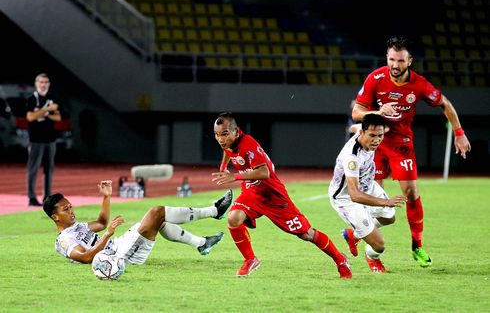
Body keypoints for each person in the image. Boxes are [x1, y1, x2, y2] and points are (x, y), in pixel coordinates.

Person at [352, 36, 472, 267]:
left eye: (400, 60)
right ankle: (373, 255)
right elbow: (357, 112)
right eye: (391, 59)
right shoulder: (375, 78)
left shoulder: (419, 85)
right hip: (373, 146)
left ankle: (417, 244)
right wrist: (378, 110)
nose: (395, 65)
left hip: (402, 145)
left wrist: (459, 133)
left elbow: (444, 103)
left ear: (410, 61)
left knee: (411, 195)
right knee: (377, 202)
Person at [211, 112, 352, 278]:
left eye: (224, 134)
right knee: (233, 218)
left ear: (236, 131)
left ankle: (339, 259)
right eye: (217, 135)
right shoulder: (229, 143)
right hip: (252, 192)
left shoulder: (247, 144)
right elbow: (228, 150)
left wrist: (234, 176)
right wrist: (223, 166)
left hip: (274, 196)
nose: (220, 139)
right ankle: (250, 259)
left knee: (306, 234)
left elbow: (264, 172)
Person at [43, 180, 233, 265]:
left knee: (159, 221)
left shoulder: (76, 227)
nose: (71, 211)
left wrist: (106, 197)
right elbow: (84, 258)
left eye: (70, 206)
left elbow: (101, 223)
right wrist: (108, 235)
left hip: (118, 246)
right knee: (156, 212)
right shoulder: (64, 240)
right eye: (66, 209)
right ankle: (215, 211)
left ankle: (201, 243)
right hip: (120, 257)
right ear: (55, 217)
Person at [329, 114, 406, 273]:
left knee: (388, 217)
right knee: (379, 245)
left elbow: (353, 127)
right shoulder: (352, 158)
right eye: (372, 135)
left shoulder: (362, 130)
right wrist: (386, 201)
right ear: (362, 133)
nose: (377, 140)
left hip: (367, 184)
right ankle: (372, 258)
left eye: (380, 136)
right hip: (346, 198)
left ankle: (354, 235)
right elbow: (355, 195)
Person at [26, 73, 61, 206]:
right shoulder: (31, 99)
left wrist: (40, 112)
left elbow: (58, 117)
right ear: (36, 83)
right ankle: (32, 197)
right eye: (41, 82)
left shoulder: (52, 97)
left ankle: (47, 197)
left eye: (46, 82)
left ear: (49, 84)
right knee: (33, 168)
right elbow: (30, 117)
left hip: (50, 139)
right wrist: (47, 110)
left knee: (49, 169)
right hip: (35, 139)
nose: (43, 84)